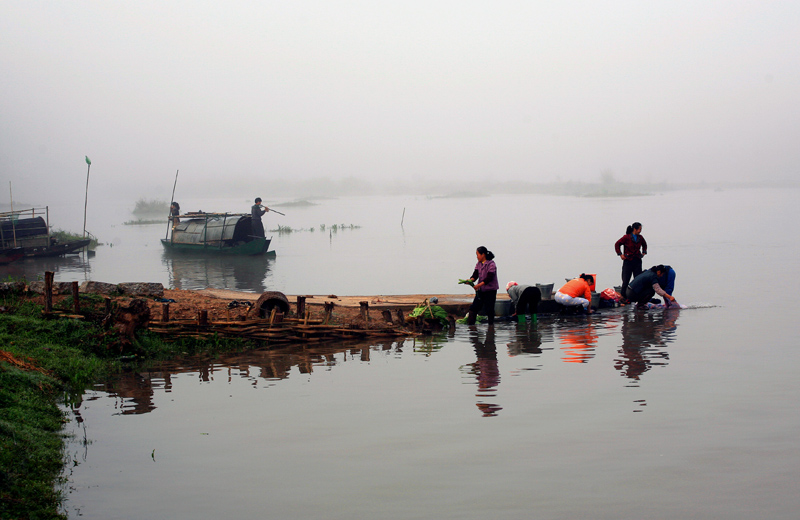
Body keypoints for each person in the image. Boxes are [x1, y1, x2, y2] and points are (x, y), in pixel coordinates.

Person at [465, 246, 498, 326]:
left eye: (477, 255)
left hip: (490, 290)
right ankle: (471, 327)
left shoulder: (491, 264)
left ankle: (491, 328)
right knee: (473, 308)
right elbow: (475, 275)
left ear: (483, 254)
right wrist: (470, 280)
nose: (477, 257)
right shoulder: (479, 264)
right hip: (481, 290)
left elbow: (489, 277)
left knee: (489, 309)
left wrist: (479, 285)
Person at [614, 222, 647, 299]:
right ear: (635, 229)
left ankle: (637, 296)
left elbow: (644, 245)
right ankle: (623, 297)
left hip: (637, 260)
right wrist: (620, 254)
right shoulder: (626, 237)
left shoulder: (640, 237)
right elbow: (617, 244)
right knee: (625, 280)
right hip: (628, 261)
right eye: (639, 229)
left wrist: (643, 252)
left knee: (638, 279)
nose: (640, 231)